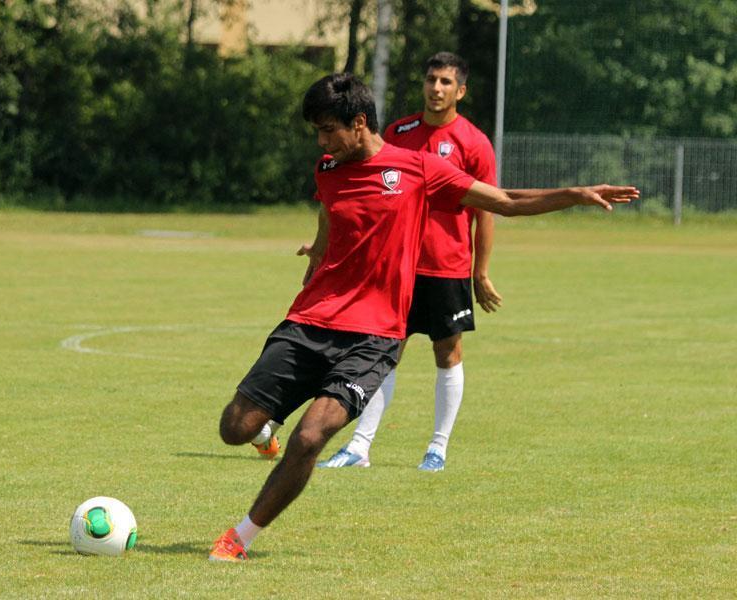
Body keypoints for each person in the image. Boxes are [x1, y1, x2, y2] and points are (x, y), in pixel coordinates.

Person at [208, 72, 638, 562]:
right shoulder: (327, 169)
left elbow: (504, 201)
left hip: (373, 336)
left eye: (328, 130)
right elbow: (328, 216)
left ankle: (240, 537)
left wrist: (574, 195)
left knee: (310, 436)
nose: (322, 142)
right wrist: (319, 254)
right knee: (235, 427)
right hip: (310, 320)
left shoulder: (418, 169)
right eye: (317, 132)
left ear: (359, 122)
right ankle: (264, 433)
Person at [318, 51, 499, 472]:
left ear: (461, 91)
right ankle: (359, 447)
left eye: (446, 82)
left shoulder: (473, 142)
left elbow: (487, 211)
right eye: (431, 79)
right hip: (396, 264)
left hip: (447, 266)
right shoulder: (398, 133)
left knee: (447, 352)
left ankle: (437, 448)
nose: (436, 88)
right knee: (382, 352)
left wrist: (481, 271)